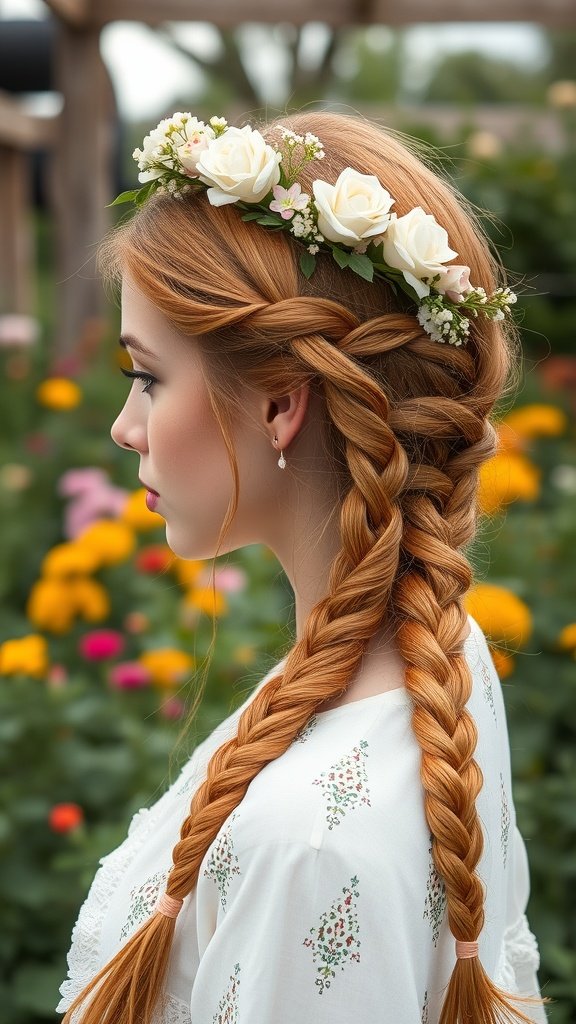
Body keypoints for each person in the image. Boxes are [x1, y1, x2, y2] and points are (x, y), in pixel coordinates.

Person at [56, 110, 548, 1024]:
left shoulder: (312, 848)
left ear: (283, 403)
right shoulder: (438, 648)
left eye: (150, 377)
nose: (126, 427)